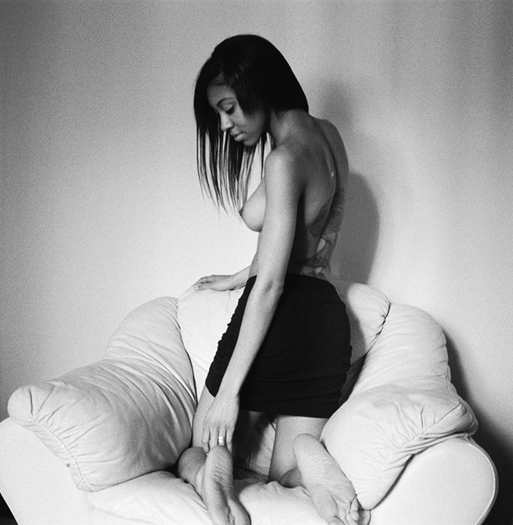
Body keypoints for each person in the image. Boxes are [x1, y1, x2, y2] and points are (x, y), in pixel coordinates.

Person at [177, 35, 367, 525]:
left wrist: (229, 395)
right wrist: (238, 274)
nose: (225, 125)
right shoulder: (328, 137)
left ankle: (209, 476)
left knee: (194, 451)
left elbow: (272, 286)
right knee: (284, 474)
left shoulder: (282, 161)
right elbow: (304, 239)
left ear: (258, 88)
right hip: (325, 320)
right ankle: (308, 457)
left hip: (279, 319)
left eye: (229, 108)